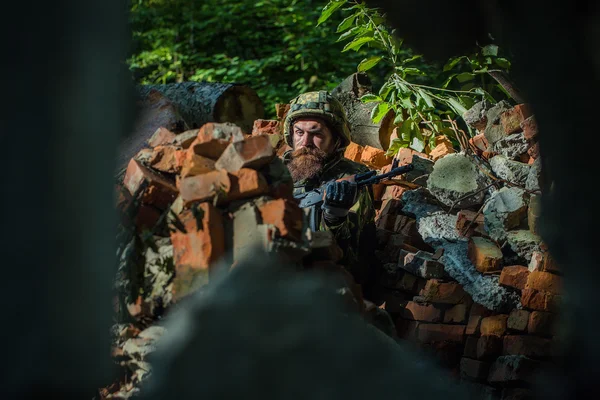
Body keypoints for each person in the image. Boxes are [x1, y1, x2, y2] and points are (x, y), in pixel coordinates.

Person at [281, 90, 378, 301]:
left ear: (336, 139)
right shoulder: (275, 172)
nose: (305, 142)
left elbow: (356, 260)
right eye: (299, 132)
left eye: (316, 134)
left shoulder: (352, 179)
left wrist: (335, 218)